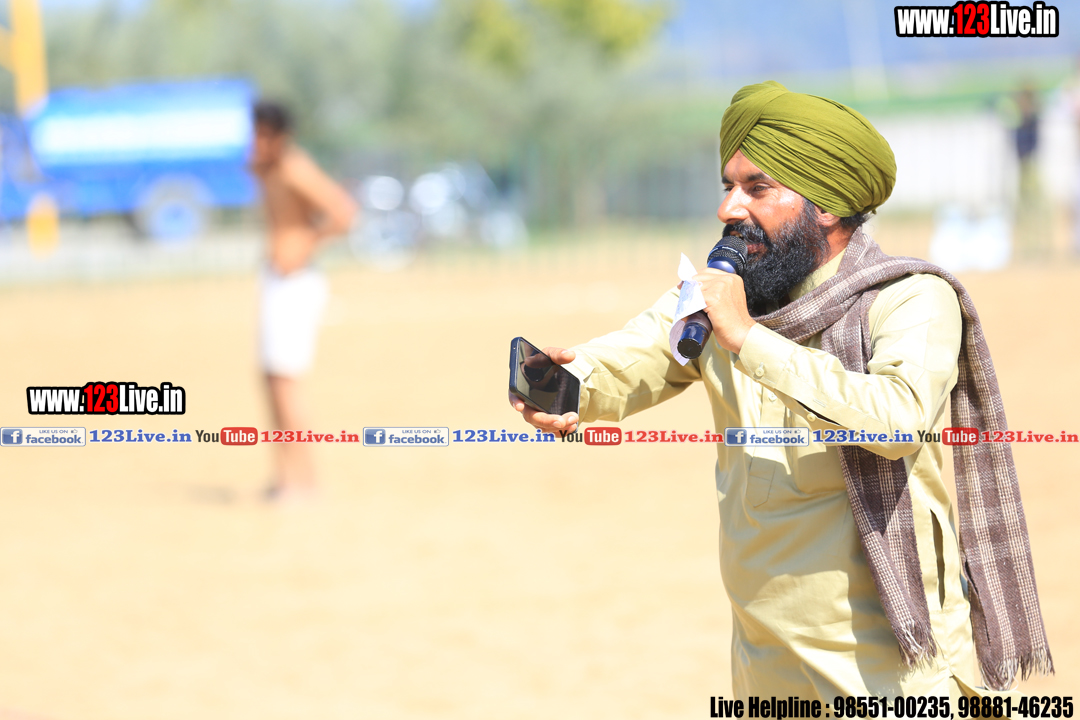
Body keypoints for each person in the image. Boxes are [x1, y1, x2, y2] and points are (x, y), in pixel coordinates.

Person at [509, 81, 1052, 698]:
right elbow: (630, 359)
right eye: (727, 186)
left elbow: (897, 420)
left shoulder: (908, 300)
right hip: (764, 663)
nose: (729, 209)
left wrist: (747, 338)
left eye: (757, 188)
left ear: (827, 205)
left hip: (892, 665)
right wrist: (566, 385)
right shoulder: (719, 299)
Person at [250, 100, 359, 501]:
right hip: (277, 282)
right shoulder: (270, 169)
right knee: (271, 382)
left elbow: (343, 212)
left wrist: (306, 242)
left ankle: (307, 482)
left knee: (287, 386)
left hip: (296, 284)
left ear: (279, 137)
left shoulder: (295, 167)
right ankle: (285, 478)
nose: (256, 143)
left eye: (263, 136)